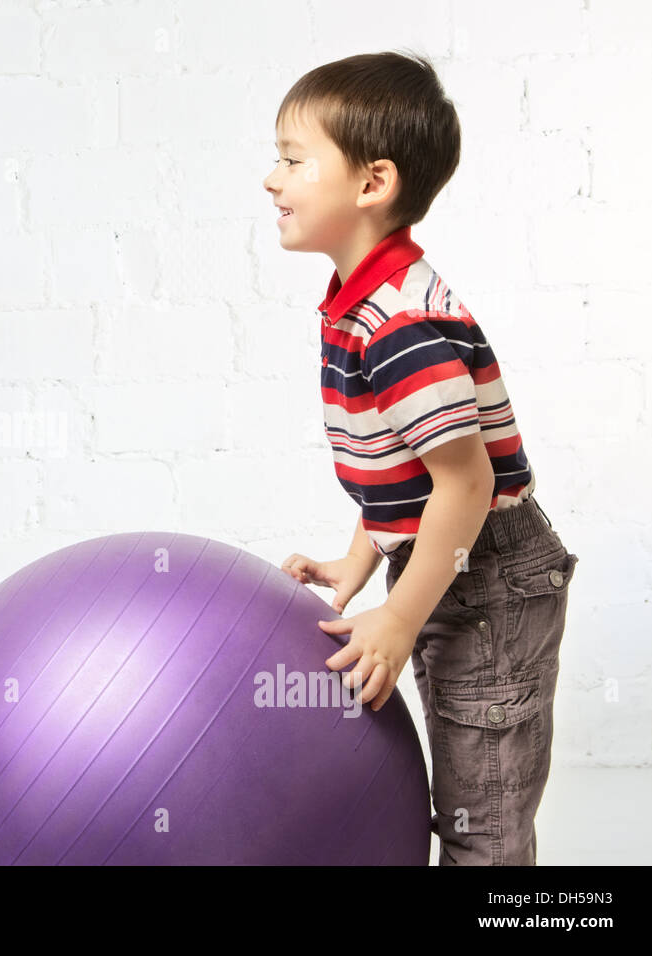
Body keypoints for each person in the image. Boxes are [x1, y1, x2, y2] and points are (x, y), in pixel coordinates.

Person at [264, 52, 578, 865]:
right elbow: (404, 473)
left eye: (294, 160)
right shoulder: (360, 304)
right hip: (444, 562)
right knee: (462, 790)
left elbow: (467, 484)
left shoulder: (400, 325)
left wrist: (401, 618)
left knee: (482, 816)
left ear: (372, 184)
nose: (272, 179)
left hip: (492, 578)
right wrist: (360, 561)